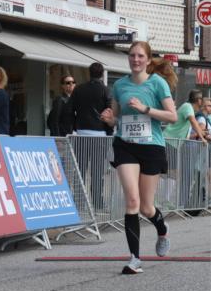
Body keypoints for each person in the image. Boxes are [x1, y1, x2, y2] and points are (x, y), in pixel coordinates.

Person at [99, 41, 178, 275]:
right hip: (126, 146)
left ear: (147, 59)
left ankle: (162, 230)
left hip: (151, 146)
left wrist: (145, 109)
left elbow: (172, 116)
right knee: (132, 202)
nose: (135, 59)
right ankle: (135, 258)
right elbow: (116, 117)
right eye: (132, 55)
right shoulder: (120, 85)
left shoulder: (157, 83)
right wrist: (109, 119)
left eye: (140, 56)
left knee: (146, 207)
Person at [69, 62, 113, 209]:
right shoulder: (105, 90)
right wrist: (109, 131)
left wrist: (74, 127)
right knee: (97, 170)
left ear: (89, 73)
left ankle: (79, 201)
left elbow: (70, 110)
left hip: (81, 133)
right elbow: (110, 111)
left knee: (80, 169)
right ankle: (98, 203)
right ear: (101, 74)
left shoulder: (79, 89)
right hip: (100, 135)